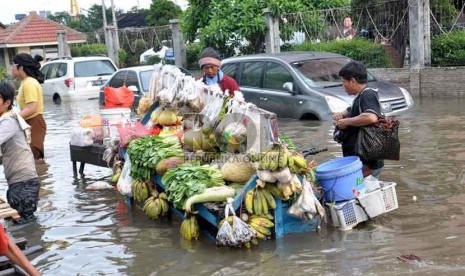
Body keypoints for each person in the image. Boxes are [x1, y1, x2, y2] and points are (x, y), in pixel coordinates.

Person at [332, 61, 383, 178]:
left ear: (353, 81)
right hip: (363, 160)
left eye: (344, 82)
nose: (343, 86)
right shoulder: (362, 96)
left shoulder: (367, 94)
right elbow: (358, 109)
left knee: (365, 192)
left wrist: (346, 122)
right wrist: (344, 113)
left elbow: (371, 117)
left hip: (367, 161)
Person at [0, 83, 40, 223]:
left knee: (24, 224)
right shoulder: (7, 120)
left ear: (7, 102)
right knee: (20, 222)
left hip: (24, 183)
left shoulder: (8, 121)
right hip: (20, 182)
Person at [12, 53, 47, 161]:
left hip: (34, 122)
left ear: (21, 67)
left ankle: (41, 177)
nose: (12, 68)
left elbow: (32, 107)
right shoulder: (25, 82)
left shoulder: (29, 84)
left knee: (35, 159)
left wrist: (12, 117)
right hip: (29, 122)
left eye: (13, 65)